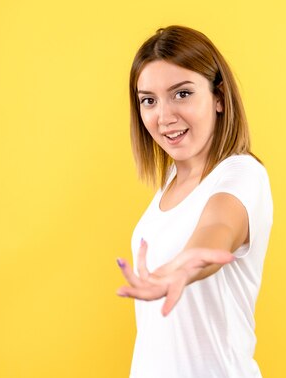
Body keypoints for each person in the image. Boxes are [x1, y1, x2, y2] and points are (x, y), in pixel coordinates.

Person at [116, 25, 273, 378]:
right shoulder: (170, 183)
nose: (164, 116)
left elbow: (219, 226)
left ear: (219, 97)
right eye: (149, 100)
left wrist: (186, 266)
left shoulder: (241, 174)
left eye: (182, 94)